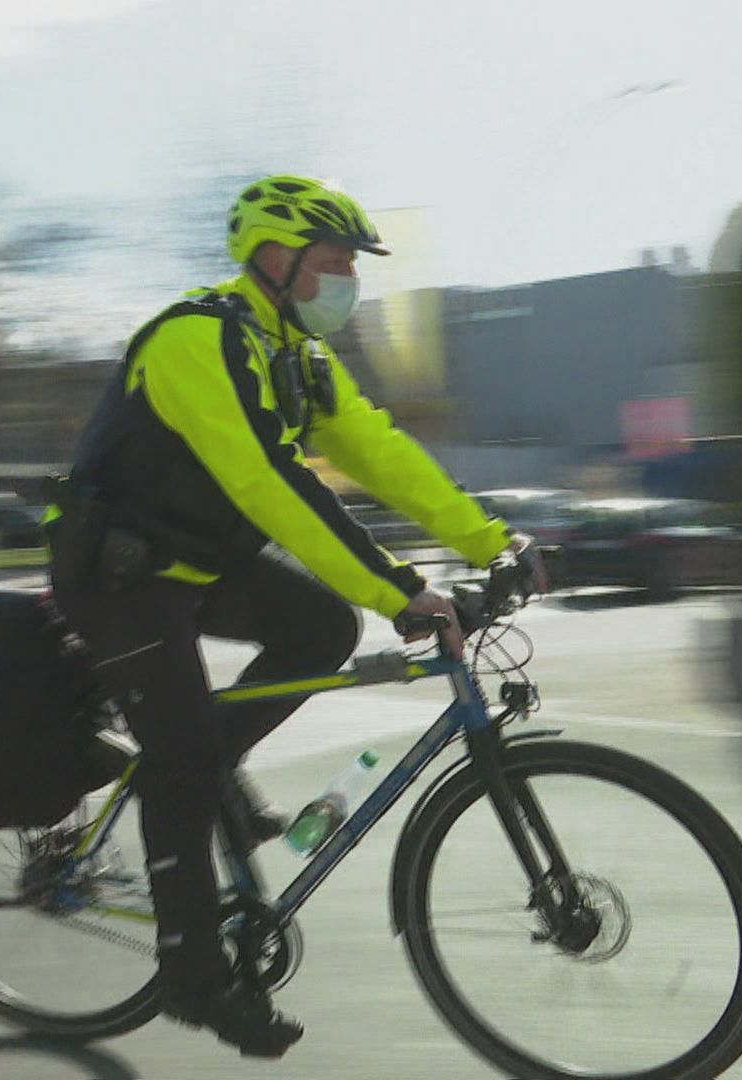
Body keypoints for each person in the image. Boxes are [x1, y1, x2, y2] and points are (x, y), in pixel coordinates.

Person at [46, 174, 548, 1059]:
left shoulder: (299, 358)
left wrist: (492, 542)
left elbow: (382, 455)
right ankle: (193, 977)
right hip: (118, 577)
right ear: (274, 259)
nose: (348, 279)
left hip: (199, 565)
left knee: (321, 631)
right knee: (185, 758)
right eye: (334, 261)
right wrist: (401, 588)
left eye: (352, 264)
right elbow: (270, 484)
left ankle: (207, 769)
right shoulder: (196, 339)